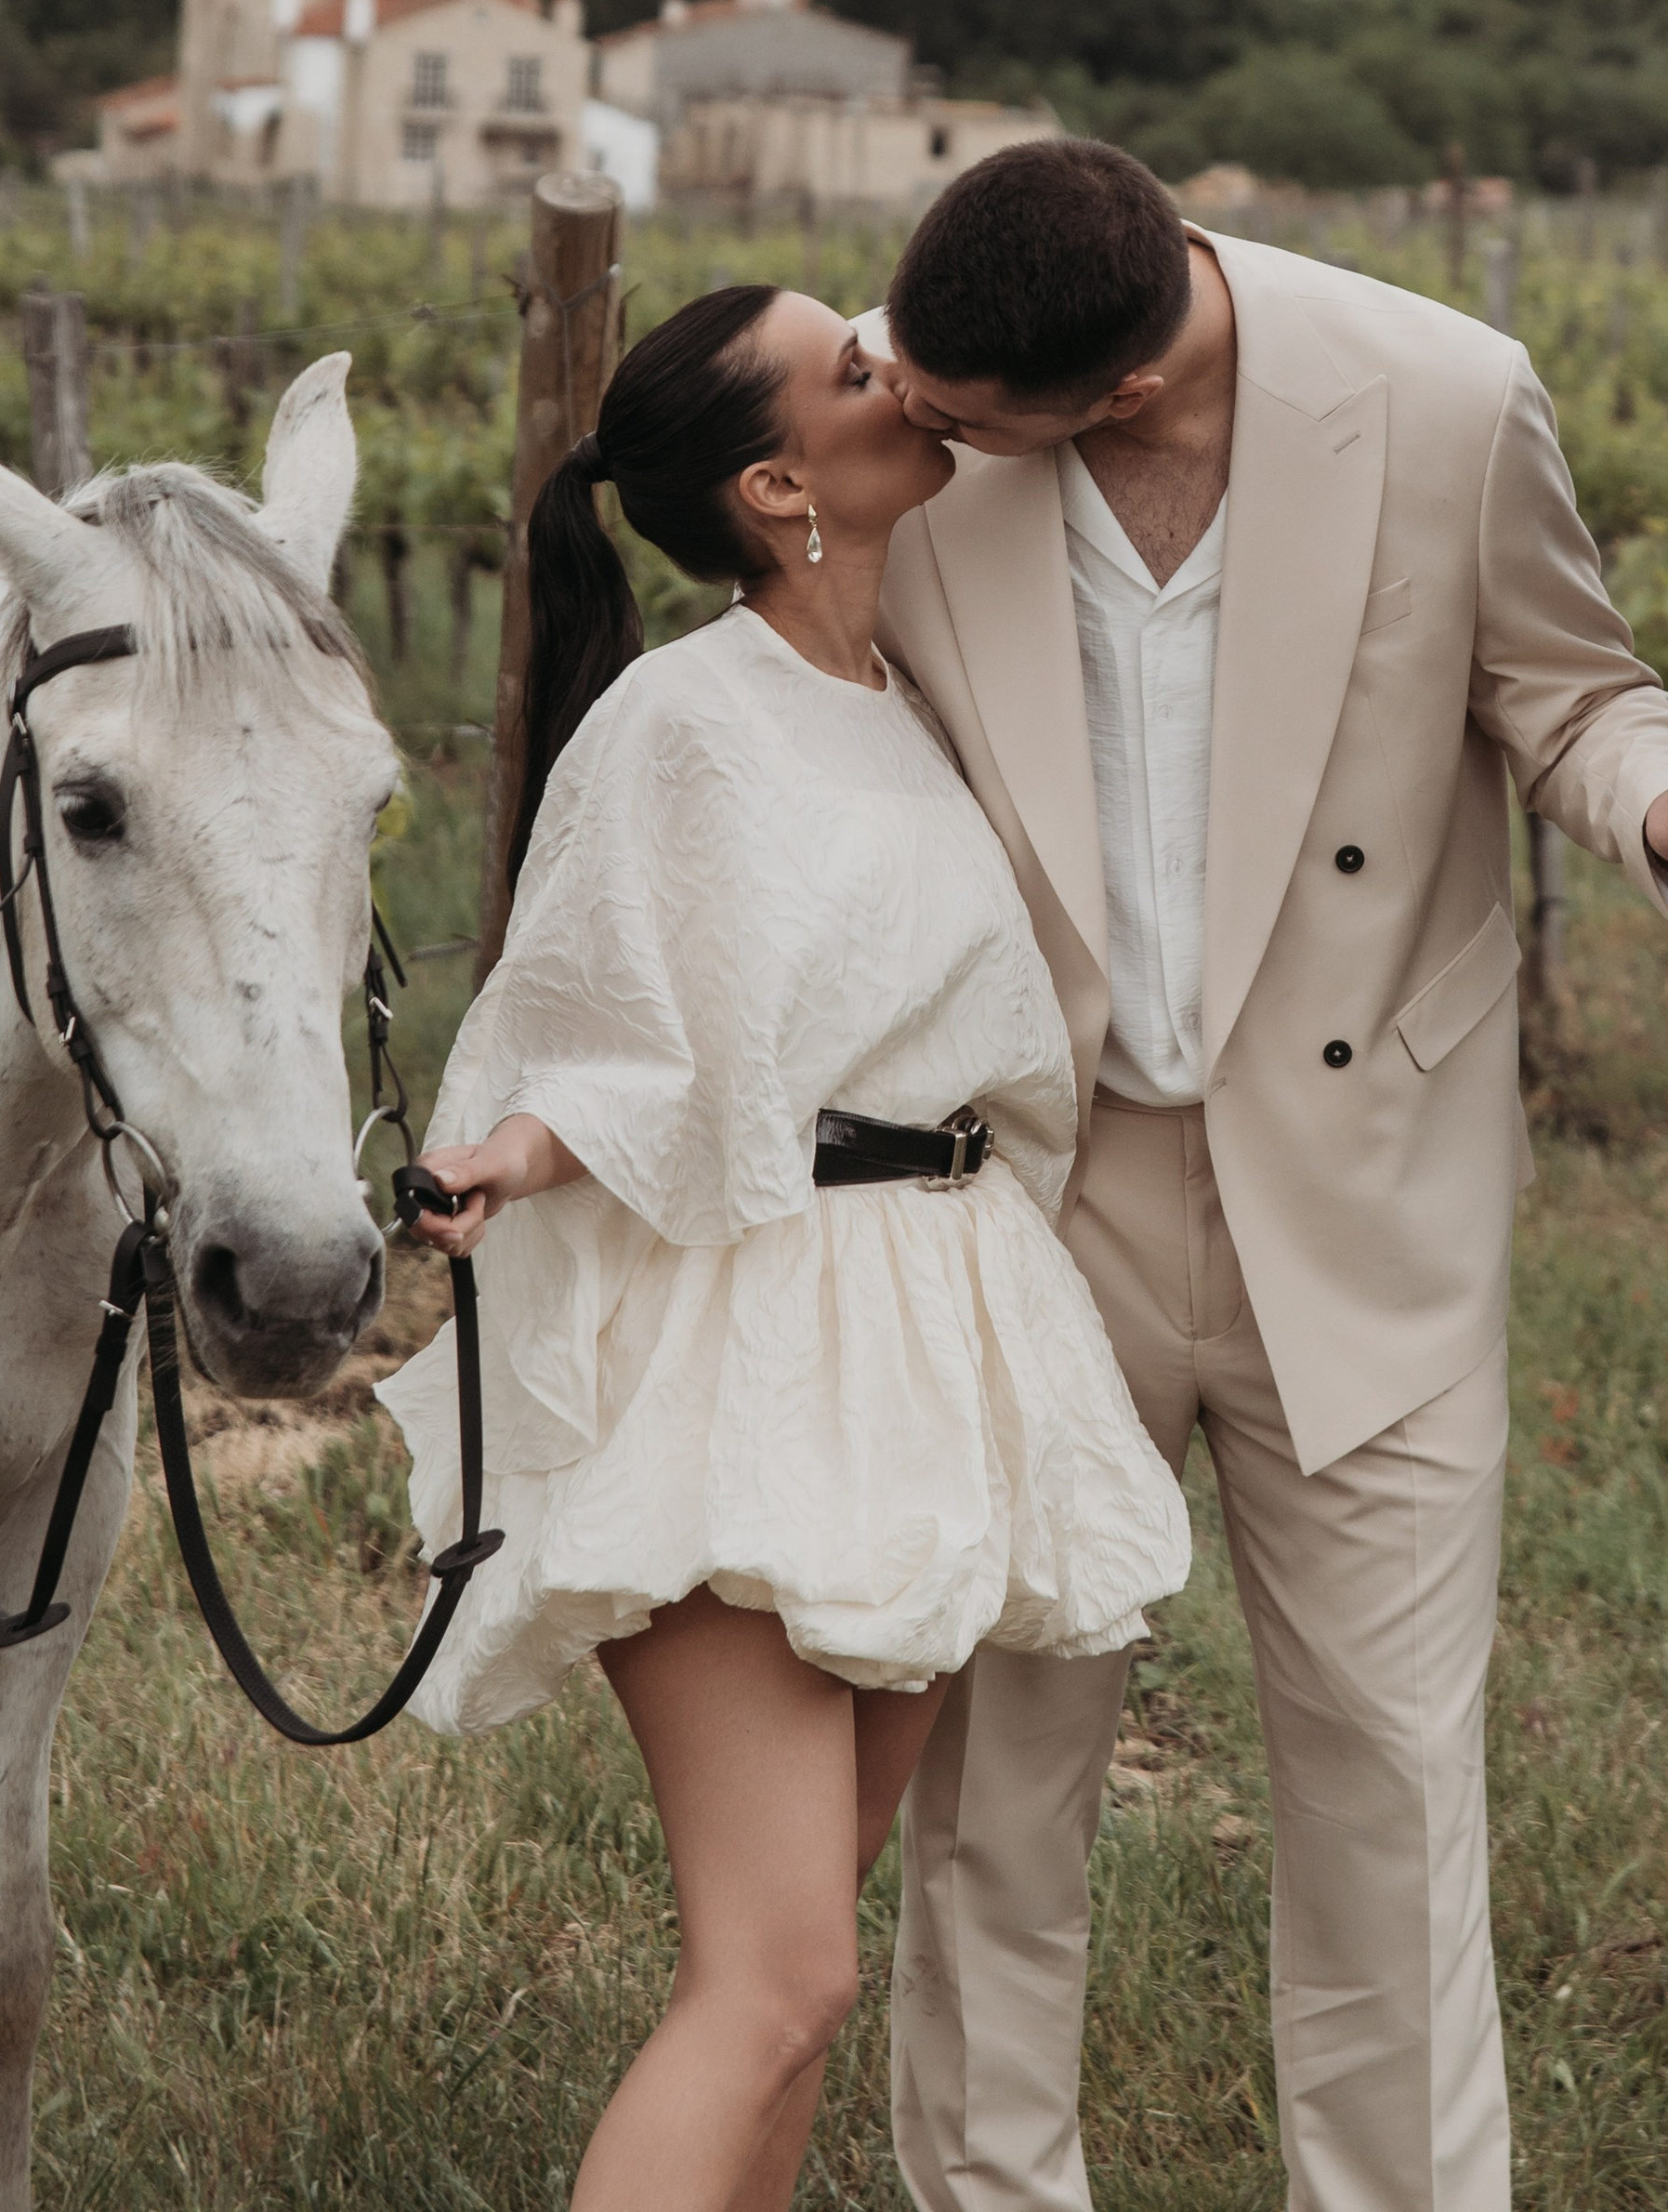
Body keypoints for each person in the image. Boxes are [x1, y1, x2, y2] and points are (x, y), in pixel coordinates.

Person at [850, 140, 1668, 2212]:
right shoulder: (903, 384)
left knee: (1386, 1788)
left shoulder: (1447, 396)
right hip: (1030, 1190)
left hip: (1366, 1186)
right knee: (995, 1794)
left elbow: (1570, 689)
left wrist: (1660, 814)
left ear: (1106, 389)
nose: (909, 426)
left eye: (953, 424)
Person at [376, 283, 1190, 2212]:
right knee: (776, 1972)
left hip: (929, 1322)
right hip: (758, 1331)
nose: (896, 370)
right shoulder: (687, 717)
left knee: (803, 1975)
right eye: (850, 370)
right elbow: (602, 1008)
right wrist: (518, 1139)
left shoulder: (903, 699)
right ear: (773, 483)